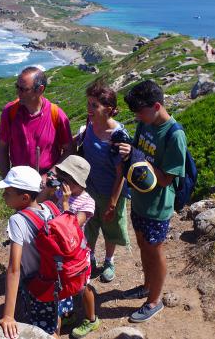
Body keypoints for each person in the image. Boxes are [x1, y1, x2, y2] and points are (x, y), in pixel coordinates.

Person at [118, 80, 187, 323]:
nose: (136, 116)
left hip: (157, 205)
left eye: (140, 111)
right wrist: (130, 152)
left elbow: (167, 178)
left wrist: (139, 158)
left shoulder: (174, 135)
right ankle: (147, 286)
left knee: (154, 250)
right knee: (142, 244)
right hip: (138, 199)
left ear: (156, 106)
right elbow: (139, 153)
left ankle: (154, 300)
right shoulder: (144, 124)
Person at [0, 165, 67, 338]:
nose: (3, 195)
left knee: (44, 332)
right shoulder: (50, 207)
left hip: (40, 286)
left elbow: (14, 268)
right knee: (55, 318)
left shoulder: (17, 220)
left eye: (7, 192)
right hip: (60, 279)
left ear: (24, 197)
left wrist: (9, 315)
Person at [42, 155, 101, 339]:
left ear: (78, 182)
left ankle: (91, 319)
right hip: (59, 247)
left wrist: (66, 203)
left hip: (76, 250)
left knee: (82, 286)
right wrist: (49, 188)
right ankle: (68, 313)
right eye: (62, 178)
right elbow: (42, 201)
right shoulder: (61, 191)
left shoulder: (88, 202)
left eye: (67, 179)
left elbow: (73, 226)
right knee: (63, 282)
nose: (63, 183)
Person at [79, 82, 130, 283]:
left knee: (110, 229)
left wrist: (112, 203)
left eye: (94, 105)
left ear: (108, 109)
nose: (89, 109)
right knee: (89, 227)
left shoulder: (118, 136)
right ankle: (89, 257)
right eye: (88, 104)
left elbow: (121, 174)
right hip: (89, 189)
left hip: (111, 192)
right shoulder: (90, 124)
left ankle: (109, 261)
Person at [0, 66, 72, 179]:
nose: (18, 92)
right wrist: (7, 181)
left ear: (40, 90)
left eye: (24, 89)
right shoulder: (10, 111)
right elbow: (2, 147)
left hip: (46, 182)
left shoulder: (56, 114)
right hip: (18, 179)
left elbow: (69, 150)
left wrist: (49, 175)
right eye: (17, 87)